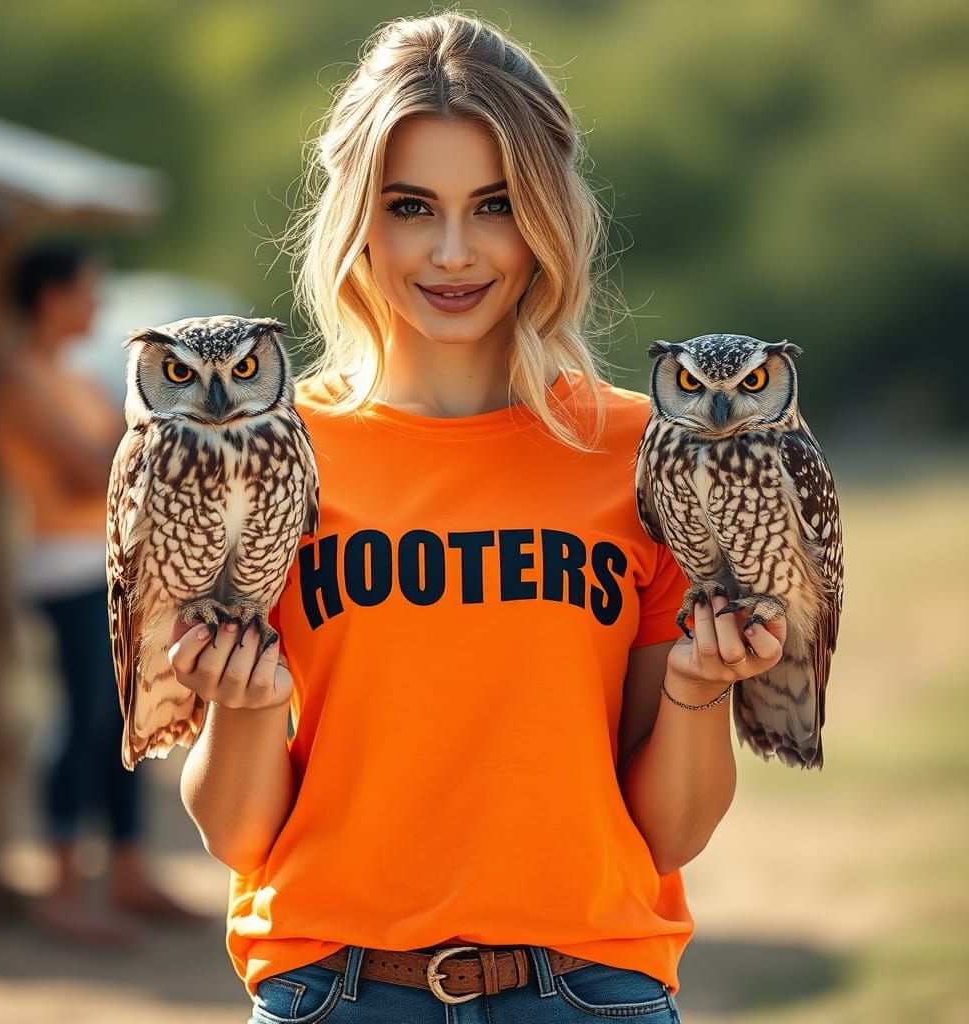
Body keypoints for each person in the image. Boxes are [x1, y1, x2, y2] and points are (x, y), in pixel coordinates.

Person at [172, 12, 786, 1022]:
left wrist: (693, 686)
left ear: (547, 215)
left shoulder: (654, 455)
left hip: (589, 990)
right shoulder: (272, 455)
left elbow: (667, 833)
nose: (452, 251)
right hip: (335, 990)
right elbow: (241, 837)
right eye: (411, 205)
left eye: (493, 205)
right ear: (358, 217)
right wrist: (241, 702)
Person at [0, 239, 208, 947]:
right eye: (87, 290)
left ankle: (128, 874)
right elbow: (92, 472)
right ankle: (61, 887)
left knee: (119, 723)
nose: (98, 304)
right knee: (82, 720)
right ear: (52, 298)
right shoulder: (17, 379)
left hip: (107, 570)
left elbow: (123, 460)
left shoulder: (68, 378)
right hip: (63, 569)